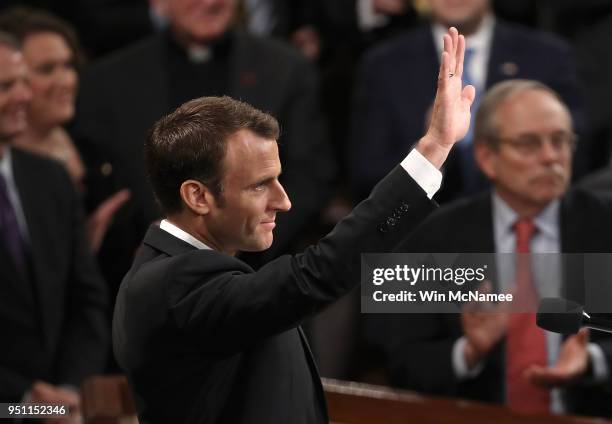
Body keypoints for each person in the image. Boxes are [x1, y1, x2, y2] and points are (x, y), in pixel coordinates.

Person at [112, 27, 475, 423]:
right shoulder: (172, 284)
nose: (283, 201)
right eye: (259, 186)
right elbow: (319, 273)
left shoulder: (191, 271)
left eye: (279, 179)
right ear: (198, 196)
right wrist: (433, 149)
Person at [365, 80, 612, 417]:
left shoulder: (603, 224)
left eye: (560, 141)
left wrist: (593, 362)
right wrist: (469, 352)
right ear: (486, 156)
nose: (551, 157)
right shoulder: (433, 237)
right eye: (529, 144)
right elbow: (404, 363)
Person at [72, 0, 336, 282]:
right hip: (141, 277)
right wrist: (163, 243)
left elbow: (311, 174)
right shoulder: (107, 82)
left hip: (263, 277)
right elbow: (105, 185)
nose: (209, 2)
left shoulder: (287, 69)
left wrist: (239, 238)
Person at [351, 0, 583, 203]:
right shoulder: (383, 65)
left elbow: (578, 153)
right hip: (423, 237)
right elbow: (367, 176)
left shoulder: (548, 57)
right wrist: (429, 152)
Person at [0, 31, 108, 422]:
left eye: (24, 84)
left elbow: (87, 299)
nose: (24, 98)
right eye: (6, 87)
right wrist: (24, 396)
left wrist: (65, 392)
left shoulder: (51, 180)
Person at [0, 7, 131, 253]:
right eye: (47, 69)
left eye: (68, 65)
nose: (66, 80)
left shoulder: (98, 153)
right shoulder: (7, 176)